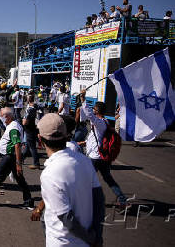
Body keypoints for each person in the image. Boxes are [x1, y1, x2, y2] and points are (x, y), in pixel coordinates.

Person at [35, 113, 105, 247]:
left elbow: (66, 218)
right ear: (66, 135)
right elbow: (99, 200)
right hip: (87, 239)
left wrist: (91, 239)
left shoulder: (49, 173)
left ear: (40, 139)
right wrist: (96, 236)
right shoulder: (84, 161)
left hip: (63, 242)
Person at [79, 89, 127, 206]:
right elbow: (95, 137)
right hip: (100, 156)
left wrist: (83, 98)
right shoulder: (104, 122)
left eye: (94, 109)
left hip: (95, 157)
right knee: (108, 179)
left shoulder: (99, 122)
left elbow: (89, 114)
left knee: (86, 179)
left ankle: (87, 201)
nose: (93, 110)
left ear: (97, 111)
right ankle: (122, 200)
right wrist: (84, 142)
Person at [0, 107, 33, 208]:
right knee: (19, 179)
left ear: (7, 116)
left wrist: (18, 163)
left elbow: (17, 145)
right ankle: (28, 201)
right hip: (9, 157)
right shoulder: (11, 125)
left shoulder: (13, 128)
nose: (0, 118)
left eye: (1, 116)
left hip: (10, 157)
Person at [22, 94, 40, 169]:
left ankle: (36, 163)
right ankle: (21, 159)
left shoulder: (30, 109)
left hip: (29, 129)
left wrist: (23, 120)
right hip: (35, 128)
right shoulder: (37, 108)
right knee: (27, 146)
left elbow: (24, 122)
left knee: (32, 147)